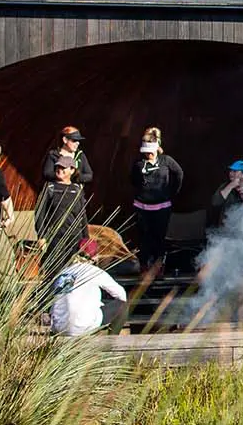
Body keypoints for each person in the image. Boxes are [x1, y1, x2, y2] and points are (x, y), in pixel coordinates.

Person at [128, 127, 183, 270]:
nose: (148, 155)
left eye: (150, 152)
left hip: (162, 207)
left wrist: (172, 191)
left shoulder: (166, 160)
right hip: (142, 206)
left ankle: (158, 266)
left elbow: (179, 174)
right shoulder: (139, 163)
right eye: (146, 152)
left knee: (159, 237)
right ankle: (144, 265)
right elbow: (133, 180)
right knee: (144, 238)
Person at [49, 236, 127, 336]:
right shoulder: (94, 271)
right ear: (94, 256)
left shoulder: (65, 272)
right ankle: (111, 342)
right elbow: (121, 294)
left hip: (59, 327)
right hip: (83, 326)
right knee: (122, 306)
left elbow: (64, 296)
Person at [33, 156, 90, 273]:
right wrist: (41, 236)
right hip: (55, 237)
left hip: (74, 237)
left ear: (72, 170)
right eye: (58, 167)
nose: (60, 170)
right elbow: (39, 213)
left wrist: (86, 239)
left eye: (64, 167)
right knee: (54, 271)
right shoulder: (50, 188)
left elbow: (82, 216)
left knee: (74, 272)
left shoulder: (77, 189)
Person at [207, 159, 243, 230]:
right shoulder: (225, 186)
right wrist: (231, 186)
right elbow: (215, 203)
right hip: (226, 230)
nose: (231, 173)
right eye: (230, 171)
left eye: (234, 171)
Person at [41, 126, 93, 191]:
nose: (77, 143)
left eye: (78, 141)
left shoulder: (80, 156)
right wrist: (62, 176)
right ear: (65, 140)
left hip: (74, 192)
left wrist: (74, 177)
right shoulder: (53, 154)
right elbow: (47, 173)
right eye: (74, 140)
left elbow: (89, 175)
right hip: (56, 191)